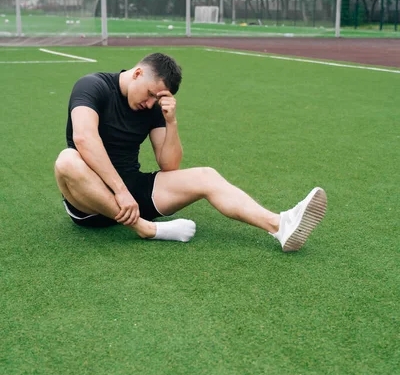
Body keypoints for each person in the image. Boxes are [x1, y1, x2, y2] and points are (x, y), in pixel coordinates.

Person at [55, 52, 327, 250]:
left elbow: (169, 165)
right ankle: (146, 229)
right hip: (90, 202)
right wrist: (120, 191)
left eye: (157, 99)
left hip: (133, 197)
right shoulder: (93, 86)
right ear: (137, 73)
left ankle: (280, 225)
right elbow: (84, 138)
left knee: (206, 175)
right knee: (67, 161)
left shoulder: (153, 108)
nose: (150, 103)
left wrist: (170, 121)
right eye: (150, 93)